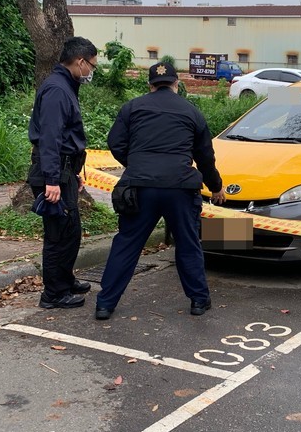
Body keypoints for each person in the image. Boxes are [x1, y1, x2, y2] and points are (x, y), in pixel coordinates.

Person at [95, 62, 226, 320]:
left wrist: (137, 165)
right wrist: (216, 187)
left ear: (150, 85)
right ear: (177, 85)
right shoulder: (192, 112)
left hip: (139, 188)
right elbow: (205, 157)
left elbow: (115, 143)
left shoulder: (132, 107)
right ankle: (198, 300)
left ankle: (104, 304)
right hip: (180, 188)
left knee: (127, 244)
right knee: (188, 243)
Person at [26, 36, 98, 309]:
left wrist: (72, 172)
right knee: (58, 234)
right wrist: (52, 180)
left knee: (70, 231)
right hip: (52, 174)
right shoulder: (57, 90)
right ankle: (53, 294)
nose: (91, 71)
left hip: (64, 171)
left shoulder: (64, 85)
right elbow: (51, 138)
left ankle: (65, 280)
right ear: (80, 62)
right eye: (91, 65)